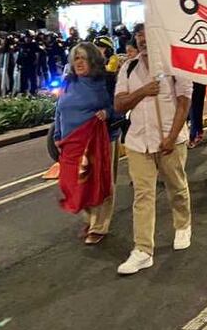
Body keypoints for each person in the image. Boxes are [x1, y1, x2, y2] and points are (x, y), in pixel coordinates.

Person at [113, 24, 193, 276]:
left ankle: (183, 225)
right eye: (139, 38)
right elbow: (118, 104)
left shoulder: (175, 65)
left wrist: (171, 137)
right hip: (138, 142)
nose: (143, 42)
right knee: (143, 195)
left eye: (147, 37)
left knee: (176, 186)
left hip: (170, 139)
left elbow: (184, 104)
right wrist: (143, 91)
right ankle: (143, 250)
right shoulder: (129, 67)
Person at [53, 42, 117, 245]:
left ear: (93, 60)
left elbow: (120, 105)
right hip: (71, 141)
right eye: (76, 58)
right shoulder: (68, 82)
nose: (79, 62)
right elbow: (59, 110)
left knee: (99, 181)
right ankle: (90, 219)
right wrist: (57, 134)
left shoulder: (105, 81)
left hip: (97, 140)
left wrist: (107, 113)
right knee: (72, 182)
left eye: (83, 58)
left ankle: (99, 226)